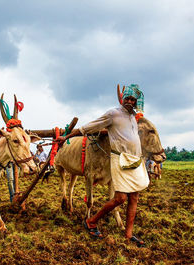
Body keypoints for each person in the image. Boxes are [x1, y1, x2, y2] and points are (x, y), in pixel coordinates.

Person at [57, 84, 148, 248]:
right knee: (120, 198)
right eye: (127, 98)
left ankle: (128, 235)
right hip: (120, 160)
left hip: (135, 161)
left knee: (134, 198)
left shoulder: (134, 118)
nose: (129, 101)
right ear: (122, 99)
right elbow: (87, 127)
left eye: (132, 99)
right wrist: (66, 137)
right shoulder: (113, 114)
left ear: (136, 102)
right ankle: (91, 221)